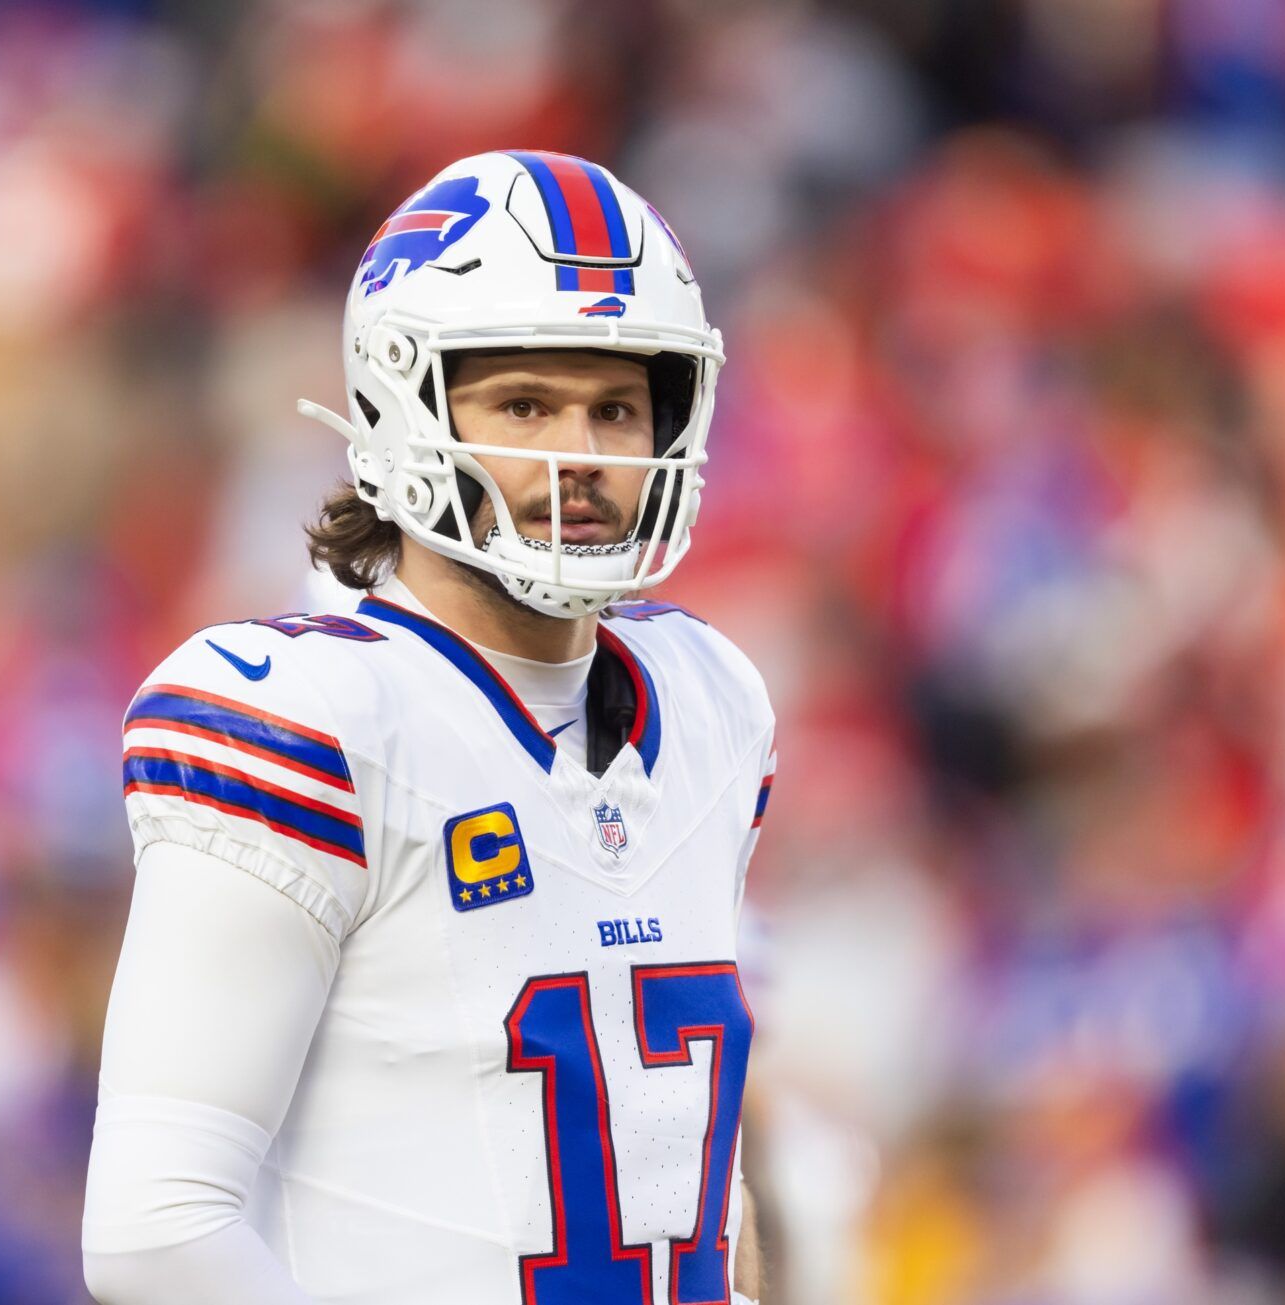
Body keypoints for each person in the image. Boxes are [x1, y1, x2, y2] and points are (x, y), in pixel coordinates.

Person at [82, 150, 776, 1304]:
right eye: (524, 405)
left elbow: (690, 1168)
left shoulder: (712, 700)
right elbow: (155, 1231)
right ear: (402, 409)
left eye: (615, 407)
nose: (584, 458)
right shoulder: (310, 717)